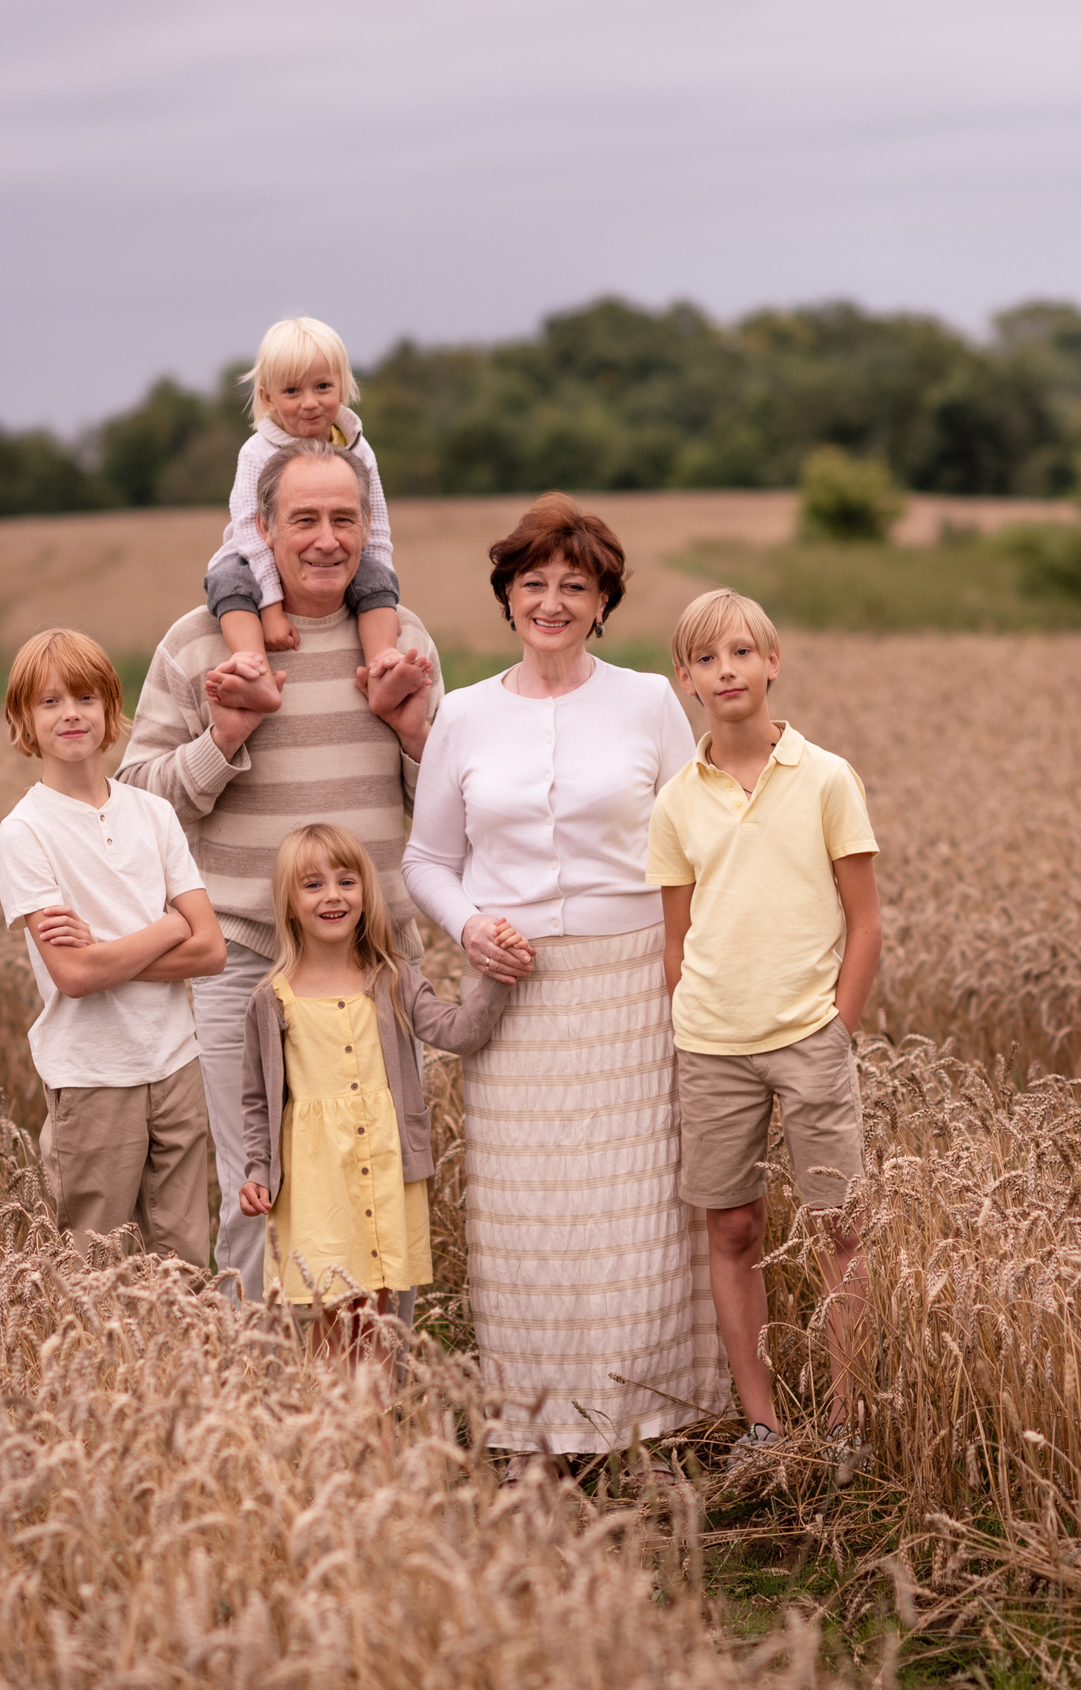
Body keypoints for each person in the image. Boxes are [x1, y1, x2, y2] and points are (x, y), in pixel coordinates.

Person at [402, 493, 730, 1466]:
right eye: (533, 583)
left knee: (638, 1209)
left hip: (632, 987)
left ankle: (653, 1421)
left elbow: (694, 839)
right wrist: (470, 927)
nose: (550, 601)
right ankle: (536, 1426)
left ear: (601, 603)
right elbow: (426, 859)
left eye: (572, 587)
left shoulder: (644, 702)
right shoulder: (461, 714)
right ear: (507, 595)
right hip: (515, 998)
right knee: (527, 1215)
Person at [120, 439, 441, 1298]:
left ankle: (377, 1404)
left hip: (376, 965)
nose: (326, 539)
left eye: (344, 519)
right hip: (243, 965)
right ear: (263, 529)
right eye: (304, 520)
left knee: (380, 1174)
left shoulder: (402, 643)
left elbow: (443, 807)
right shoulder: (196, 648)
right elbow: (134, 804)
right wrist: (225, 735)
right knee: (257, 1188)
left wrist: (413, 733)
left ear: (368, 528)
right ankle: (264, 1412)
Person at [646, 588, 883, 1469]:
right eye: (707, 659)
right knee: (734, 1229)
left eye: (742, 652)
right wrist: (694, 1012)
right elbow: (677, 940)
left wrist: (837, 1028)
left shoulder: (825, 777)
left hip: (808, 1038)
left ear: (772, 662)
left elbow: (865, 920)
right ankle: (762, 1426)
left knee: (839, 1228)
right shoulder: (676, 801)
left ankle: (851, 1420)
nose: (727, 670)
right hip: (712, 1045)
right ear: (686, 681)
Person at [0, 628, 228, 1258]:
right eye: (49, 702)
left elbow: (212, 952)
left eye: (86, 698)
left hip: (177, 1064)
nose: (71, 714)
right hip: (94, 1074)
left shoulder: (152, 813)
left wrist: (106, 951)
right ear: (24, 719)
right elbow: (73, 977)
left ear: (110, 709)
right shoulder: (26, 832)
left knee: (184, 1263)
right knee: (95, 1268)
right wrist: (169, 926)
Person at [236, 824, 507, 1353]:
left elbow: (458, 1032)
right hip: (315, 1185)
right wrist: (256, 1169)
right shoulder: (271, 999)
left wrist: (495, 971)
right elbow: (256, 1100)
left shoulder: (392, 978)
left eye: (346, 881)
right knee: (326, 1322)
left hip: (384, 1170)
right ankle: (333, 1432)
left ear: (365, 893)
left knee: (377, 1325)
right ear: (289, 905)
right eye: (312, 885)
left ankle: (379, 1433)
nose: (333, 896)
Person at [202, 317, 404, 715]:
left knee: (377, 576)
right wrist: (271, 608)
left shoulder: (359, 449)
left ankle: (383, 669)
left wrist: (386, 599)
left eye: (322, 387)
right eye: (292, 390)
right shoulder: (257, 452)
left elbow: (375, 524)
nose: (310, 402)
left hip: (337, 557)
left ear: (342, 387)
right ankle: (253, 673)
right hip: (253, 553)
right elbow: (248, 527)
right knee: (226, 581)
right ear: (268, 396)